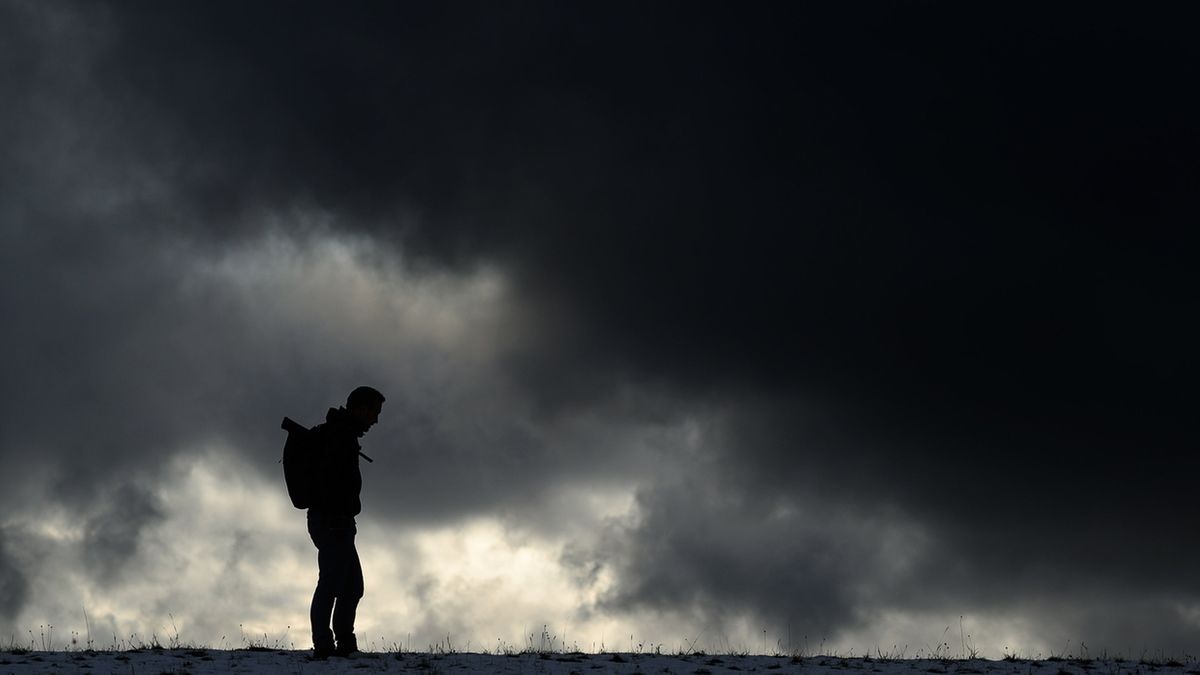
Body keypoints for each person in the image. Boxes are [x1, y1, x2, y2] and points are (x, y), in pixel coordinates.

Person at [307, 385, 385, 659]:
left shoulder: (342, 434)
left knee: (351, 586)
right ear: (361, 409)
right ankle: (325, 645)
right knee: (330, 582)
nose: (375, 420)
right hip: (332, 521)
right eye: (374, 412)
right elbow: (331, 481)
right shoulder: (340, 436)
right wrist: (338, 513)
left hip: (335, 521)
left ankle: (343, 643)